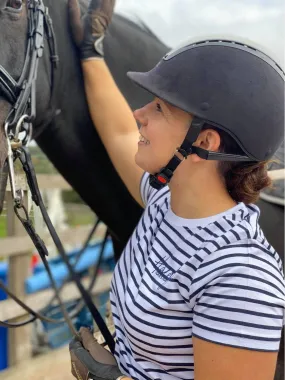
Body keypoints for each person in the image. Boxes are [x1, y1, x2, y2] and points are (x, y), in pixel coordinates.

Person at [68, 1, 285, 379]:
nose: (139, 115)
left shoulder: (239, 277)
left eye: (159, 108)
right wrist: (91, 50)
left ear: (205, 142)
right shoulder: (164, 202)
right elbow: (118, 130)